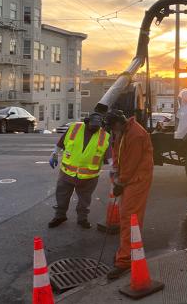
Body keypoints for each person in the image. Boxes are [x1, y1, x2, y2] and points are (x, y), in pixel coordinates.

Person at [106, 110, 154, 279]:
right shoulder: (123, 132)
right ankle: (127, 251)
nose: (112, 131)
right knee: (127, 216)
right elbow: (119, 155)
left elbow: (131, 163)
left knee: (129, 217)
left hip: (137, 179)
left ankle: (125, 260)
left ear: (118, 123)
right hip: (130, 178)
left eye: (112, 127)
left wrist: (121, 181)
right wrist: (116, 173)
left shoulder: (135, 135)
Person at [48, 112, 111, 229]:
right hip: (67, 172)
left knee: (85, 200)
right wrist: (54, 154)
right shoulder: (74, 128)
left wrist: (114, 169)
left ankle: (82, 219)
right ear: (87, 122)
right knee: (62, 195)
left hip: (89, 176)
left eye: (97, 127)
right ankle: (60, 216)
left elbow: (110, 156)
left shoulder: (105, 136)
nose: (94, 130)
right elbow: (61, 142)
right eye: (92, 127)